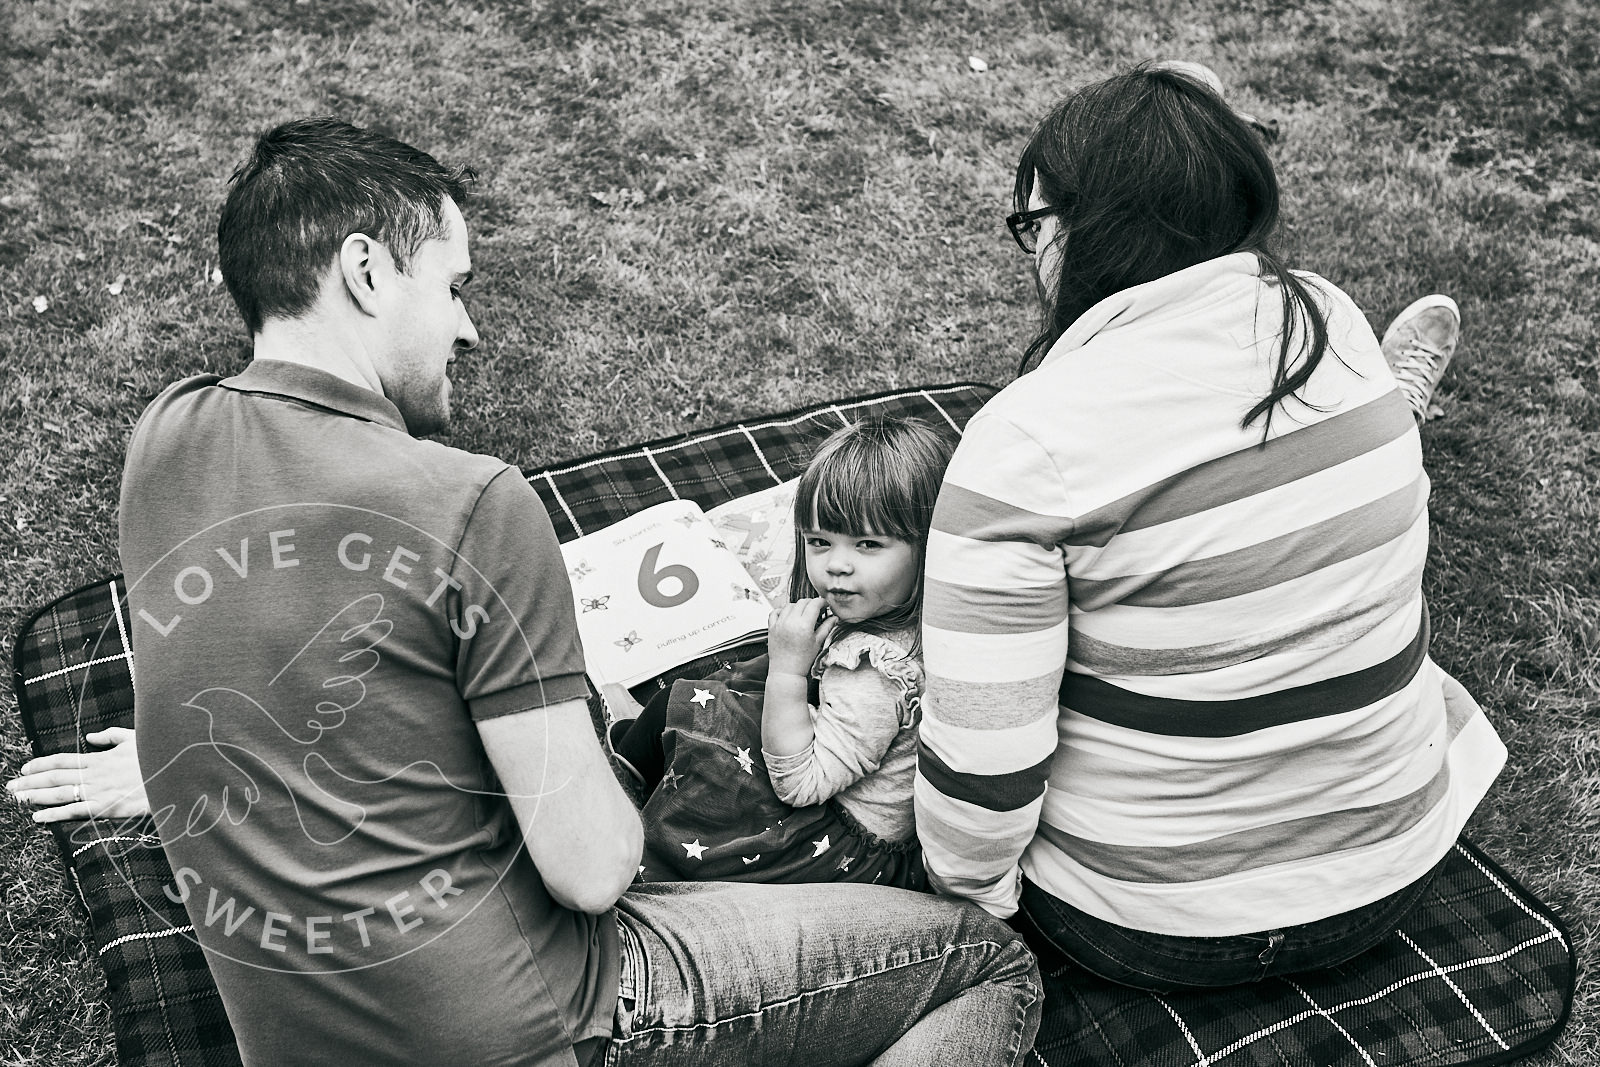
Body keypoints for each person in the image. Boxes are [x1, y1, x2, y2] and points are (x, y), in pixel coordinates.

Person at [8, 118, 1040, 1066]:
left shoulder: (163, 438)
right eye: (453, 285)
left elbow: (269, 641)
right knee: (989, 963)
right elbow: (594, 871)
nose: (469, 331)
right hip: (541, 1019)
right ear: (365, 271)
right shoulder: (474, 503)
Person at [913, 63, 1506, 992]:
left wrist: (973, 901)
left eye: (1031, 226)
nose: (1031, 256)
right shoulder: (1331, 318)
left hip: (1147, 925)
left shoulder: (1021, 446)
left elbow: (984, 775)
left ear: (1078, 231)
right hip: (1395, 871)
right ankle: (1391, 419)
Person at [609, 416, 951, 888]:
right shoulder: (929, 618)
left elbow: (800, 784)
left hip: (815, 844)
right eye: (819, 542)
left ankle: (621, 784)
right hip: (836, 798)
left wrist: (789, 670)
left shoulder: (875, 672)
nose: (836, 566)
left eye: (868, 544)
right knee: (732, 685)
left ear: (928, 544)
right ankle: (638, 751)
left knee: (696, 708)